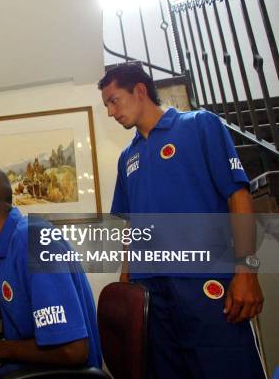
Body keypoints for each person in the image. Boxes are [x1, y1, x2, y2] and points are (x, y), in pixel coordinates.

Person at [99, 63, 265, 379]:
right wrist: (125, 288)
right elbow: (131, 229)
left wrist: (247, 271)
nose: (110, 112)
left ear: (140, 90)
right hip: (152, 297)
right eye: (106, 105)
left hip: (206, 286)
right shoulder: (127, 158)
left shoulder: (200, 125)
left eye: (113, 100)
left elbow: (238, 196)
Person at [0, 167, 102, 378]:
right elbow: (10, 298)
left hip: (64, 371)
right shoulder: (9, 242)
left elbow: (73, 350)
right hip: (36, 363)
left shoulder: (33, 241)